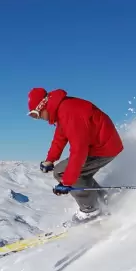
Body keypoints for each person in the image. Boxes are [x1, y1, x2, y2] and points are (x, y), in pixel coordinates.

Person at [27, 87, 124, 222]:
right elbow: (60, 137)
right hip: (101, 145)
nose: (38, 118)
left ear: (42, 105)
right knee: (68, 172)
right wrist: (50, 160)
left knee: (62, 172)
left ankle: (91, 210)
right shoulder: (63, 109)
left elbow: (79, 150)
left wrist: (67, 182)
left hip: (103, 148)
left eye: (36, 114)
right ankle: (102, 198)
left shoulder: (69, 112)